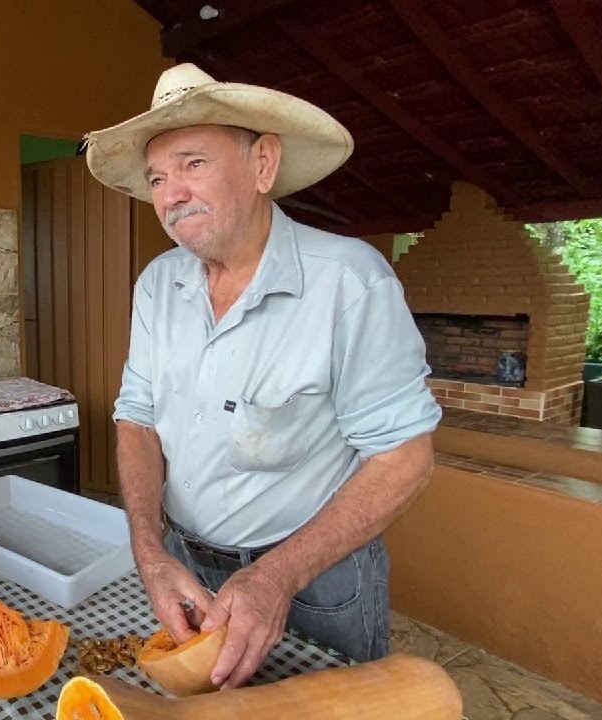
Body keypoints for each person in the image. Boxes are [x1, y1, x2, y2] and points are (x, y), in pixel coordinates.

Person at [83, 64, 442, 689]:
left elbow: (405, 458)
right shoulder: (157, 284)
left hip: (315, 583)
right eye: (158, 178)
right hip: (190, 568)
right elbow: (137, 417)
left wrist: (276, 577)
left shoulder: (349, 284)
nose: (170, 195)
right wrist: (150, 551)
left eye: (193, 164)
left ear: (263, 165)